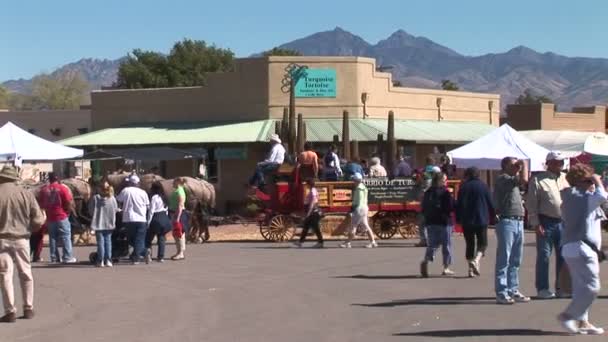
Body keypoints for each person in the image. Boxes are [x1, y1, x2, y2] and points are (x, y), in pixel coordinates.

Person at [557, 164, 605, 335]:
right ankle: (568, 315)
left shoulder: (570, 197)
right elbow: (603, 196)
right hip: (583, 248)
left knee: (580, 287)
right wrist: (598, 180)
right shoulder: (585, 198)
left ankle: (582, 321)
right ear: (580, 182)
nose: (592, 182)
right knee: (592, 287)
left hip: (574, 247)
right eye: (588, 179)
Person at [0, 165, 45, 323]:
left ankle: (10, 310)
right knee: (26, 273)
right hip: (22, 238)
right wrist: (30, 228)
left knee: (5, 275)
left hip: (2, 239)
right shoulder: (26, 194)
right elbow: (39, 219)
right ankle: (28, 307)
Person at [526, 151, 569, 299]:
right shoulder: (538, 180)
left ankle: (561, 288)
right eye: (557, 162)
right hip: (546, 221)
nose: (560, 165)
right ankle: (543, 289)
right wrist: (536, 224)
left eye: (562, 162)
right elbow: (531, 204)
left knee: (564, 256)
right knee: (544, 256)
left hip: (565, 222)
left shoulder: (567, 178)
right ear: (548, 163)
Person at [493, 157, 531, 305]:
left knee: (516, 259)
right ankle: (501, 291)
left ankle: (513, 289)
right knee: (504, 258)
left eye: (517, 165)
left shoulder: (512, 180)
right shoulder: (503, 178)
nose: (517, 167)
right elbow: (524, 180)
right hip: (507, 220)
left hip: (518, 220)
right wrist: (524, 164)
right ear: (505, 166)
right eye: (513, 165)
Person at [456, 167, 495, 278]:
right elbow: (490, 202)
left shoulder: (463, 187)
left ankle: (470, 269)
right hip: (481, 218)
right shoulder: (483, 186)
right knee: (483, 243)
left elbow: (459, 204)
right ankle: (477, 260)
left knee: (470, 244)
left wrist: (458, 219)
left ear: (467, 175)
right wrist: (493, 215)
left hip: (467, 219)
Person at [420, 172, 455, 277]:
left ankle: (426, 260)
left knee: (433, 244)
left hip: (430, 221)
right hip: (444, 222)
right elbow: (450, 207)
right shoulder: (445, 192)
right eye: (444, 179)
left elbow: (423, 207)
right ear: (439, 180)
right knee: (446, 245)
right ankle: (446, 267)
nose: (445, 181)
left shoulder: (428, 192)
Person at [38, 172, 77, 264]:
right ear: (58, 178)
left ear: (49, 179)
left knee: (52, 237)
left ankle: (54, 258)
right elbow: (68, 201)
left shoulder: (44, 190)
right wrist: (67, 212)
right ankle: (67, 257)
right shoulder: (62, 188)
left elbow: (41, 204)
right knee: (66, 237)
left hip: (50, 216)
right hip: (61, 215)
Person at [116, 174, 150, 265]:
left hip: (129, 218)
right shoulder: (143, 192)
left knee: (131, 239)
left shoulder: (126, 190)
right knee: (139, 239)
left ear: (130, 182)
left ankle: (137, 258)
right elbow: (147, 206)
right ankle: (144, 252)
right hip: (141, 218)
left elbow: (118, 199)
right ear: (138, 183)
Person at [340, 173, 377, 248]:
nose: (353, 181)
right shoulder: (364, 187)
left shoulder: (359, 189)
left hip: (359, 208)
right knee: (365, 225)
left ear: (356, 180)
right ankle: (373, 242)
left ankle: (348, 242)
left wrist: (353, 209)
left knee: (353, 226)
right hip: (364, 207)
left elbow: (359, 201)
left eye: (353, 180)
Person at [88, 180, 118, 268]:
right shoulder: (112, 198)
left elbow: (91, 210)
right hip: (109, 223)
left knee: (100, 243)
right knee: (108, 242)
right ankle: (108, 260)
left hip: (98, 224)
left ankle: (100, 260)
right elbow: (115, 209)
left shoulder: (96, 198)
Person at [415, 157, 442, 248]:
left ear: (426, 162)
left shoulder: (423, 172)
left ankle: (424, 240)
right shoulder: (438, 173)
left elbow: (418, 181)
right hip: (436, 202)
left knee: (422, 221)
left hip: (426, 201)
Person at [145, 181, 172, 263]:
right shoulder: (164, 197)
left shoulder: (154, 198)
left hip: (156, 218)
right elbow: (167, 209)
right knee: (161, 238)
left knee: (148, 238)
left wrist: (148, 222)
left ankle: (148, 254)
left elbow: (151, 211)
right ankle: (161, 257)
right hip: (164, 217)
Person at [293, 179, 323, 248]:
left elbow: (313, 202)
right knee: (306, 226)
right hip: (312, 211)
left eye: (307, 184)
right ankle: (300, 242)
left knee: (315, 228)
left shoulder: (313, 191)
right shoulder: (313, 190)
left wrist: (309, 212)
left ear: (309, 184)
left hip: (313, 212)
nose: (306, 185)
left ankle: (320, 242)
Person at [170, 177, 188, 260]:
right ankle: (179, 252)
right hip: (175, 212)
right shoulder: (178, 190)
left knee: (179, 233)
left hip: (178, 213)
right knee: (177, 233)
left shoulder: (180, 191)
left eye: (173, 182)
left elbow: (180, 205)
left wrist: (177, 217)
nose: (172, 183)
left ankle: (181, 252)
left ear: (177, 182)